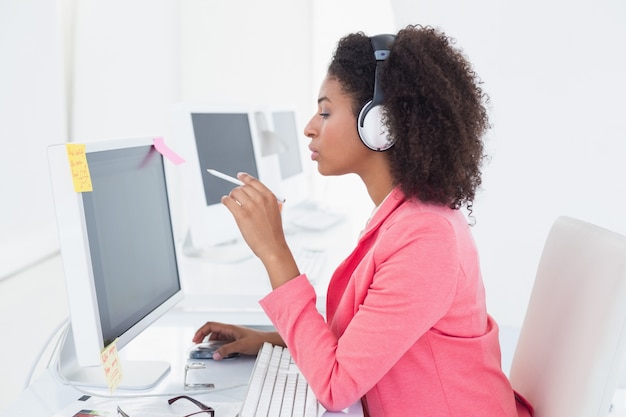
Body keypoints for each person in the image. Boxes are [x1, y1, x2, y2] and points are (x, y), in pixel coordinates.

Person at [192, 24, 534, 417]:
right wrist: (270, 340)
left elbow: (337, 387)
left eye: (325, 111)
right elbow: (361, 343)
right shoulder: (404, 218)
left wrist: (274, 253)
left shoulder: (427, 238)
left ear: (379, 125)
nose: (309, 127)